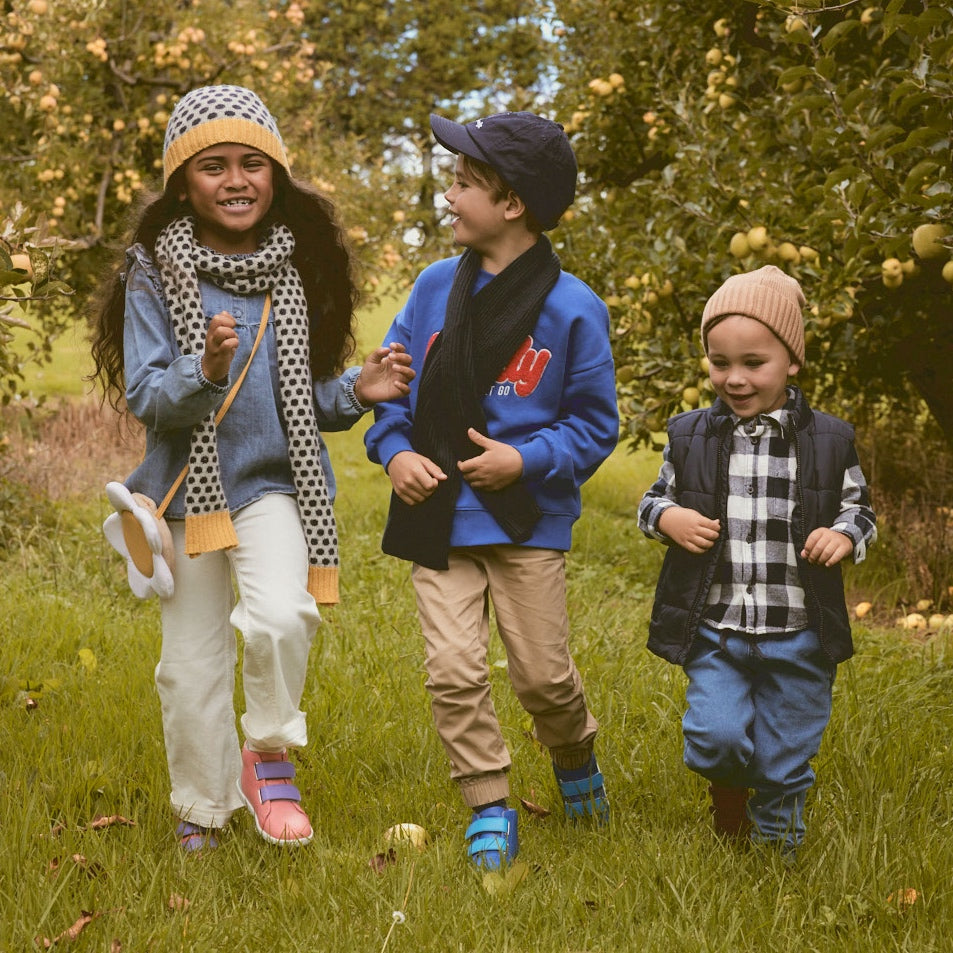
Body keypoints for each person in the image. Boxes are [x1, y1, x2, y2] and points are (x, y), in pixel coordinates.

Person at [90, 84, 414, 851]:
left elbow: (292, 404)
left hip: (271, 483)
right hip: (185, 495)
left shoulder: (292, 268)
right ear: (182, 183)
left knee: (280, 616)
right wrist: (202, 367)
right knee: (190, 664)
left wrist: (356, 393)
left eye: (252, 163)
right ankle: (201, 807)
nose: (236, 180)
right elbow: (147, 397)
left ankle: (266, 758)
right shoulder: (152, 270)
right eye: (213, 167)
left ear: (277, 175)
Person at [365, 111, 619, 869]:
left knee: (542, 675)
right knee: (451, 669)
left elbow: (593, 425)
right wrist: (393, 451)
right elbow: (391, 387)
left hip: (525, 519)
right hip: (439, 517)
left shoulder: (573, 307)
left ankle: (573, 755)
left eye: (462, 183)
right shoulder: (434, 287)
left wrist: (525, 460)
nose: (447, 195)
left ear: (511, 203)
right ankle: (487, 800)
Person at [638, 265, 877, 859]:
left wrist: (843, 537)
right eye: (720, 363)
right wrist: (668, 518)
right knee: (713, 737)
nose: (734, 378)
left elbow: (861, 511)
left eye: (753, 362)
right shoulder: (690, 436)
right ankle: (727, 786)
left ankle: (776, 847)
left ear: (791, 360)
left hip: (799, 631)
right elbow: (652, 500)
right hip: (717, 630)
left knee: (785, 750)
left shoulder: (829, 440)